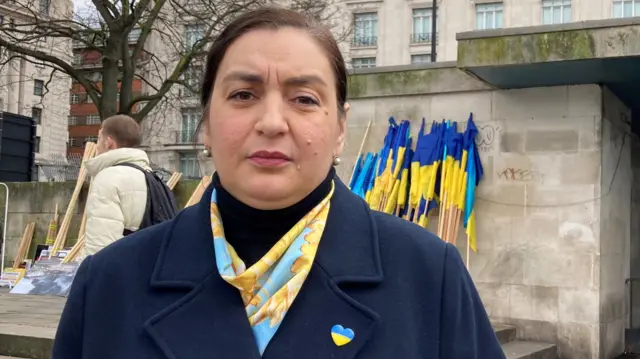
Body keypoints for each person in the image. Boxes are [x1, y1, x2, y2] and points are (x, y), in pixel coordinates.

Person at [52, 7, 506, 359]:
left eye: (304, 99)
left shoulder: (429, 278)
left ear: (341, 129)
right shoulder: (110, 284)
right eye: (243, 94)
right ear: (206, 122)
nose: (272, 122)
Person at [80, 115, 176, 260]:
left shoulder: (108, 178)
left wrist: (86, 277)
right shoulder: (151, 177)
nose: (96, 146)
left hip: (123, 274)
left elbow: (100, 246)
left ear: (108, 142)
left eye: (99, 139)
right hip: (153, 269)